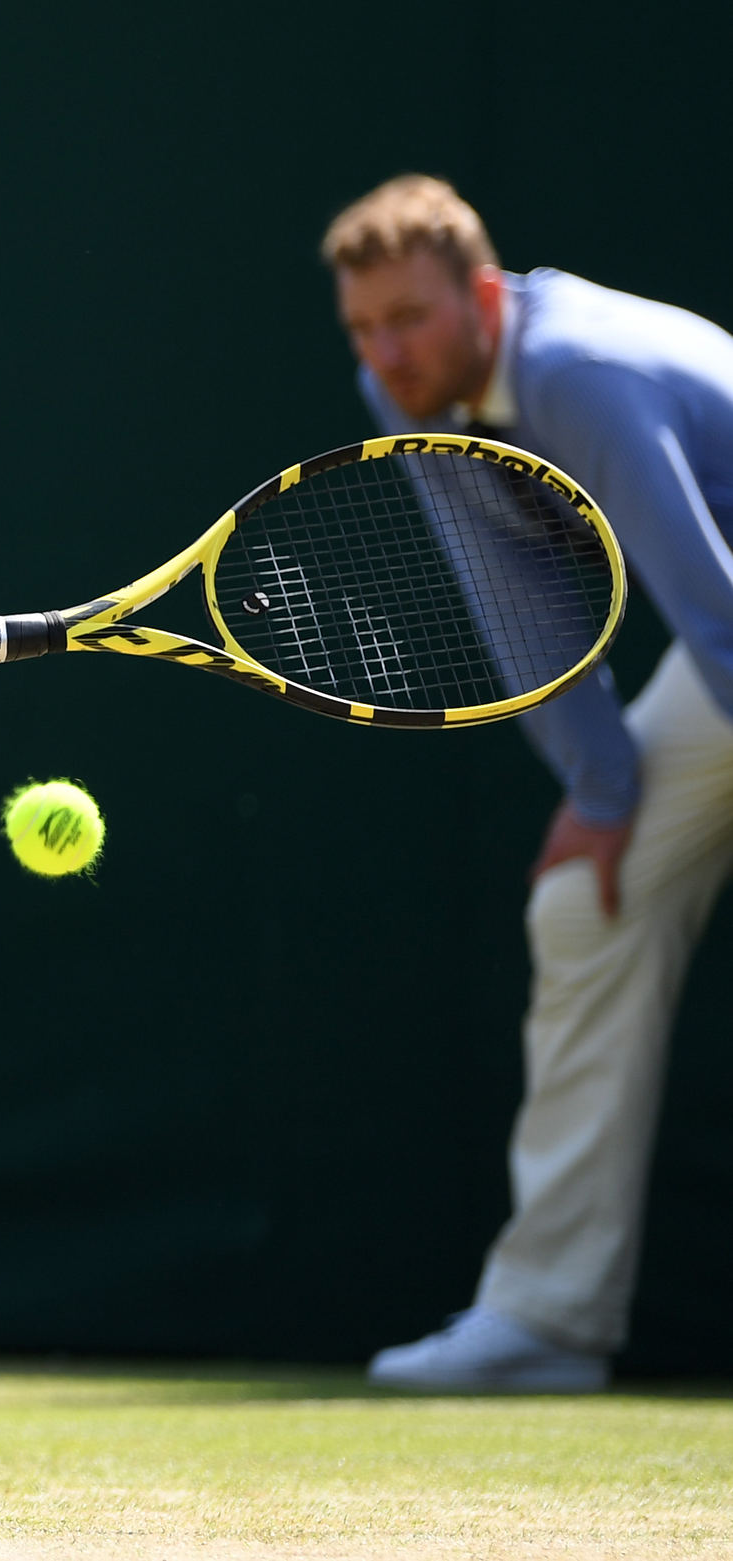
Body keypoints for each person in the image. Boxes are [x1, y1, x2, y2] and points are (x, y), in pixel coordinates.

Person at [324, 175, 733, 1391]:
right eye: (362, 329)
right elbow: (525, 605)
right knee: (582, 903)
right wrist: (601, 794)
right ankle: (550, 1320)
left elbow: (707, 608)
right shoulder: (412, 400)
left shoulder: (574, 372)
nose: (386, 353)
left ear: (483, 295)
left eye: (408, 317)